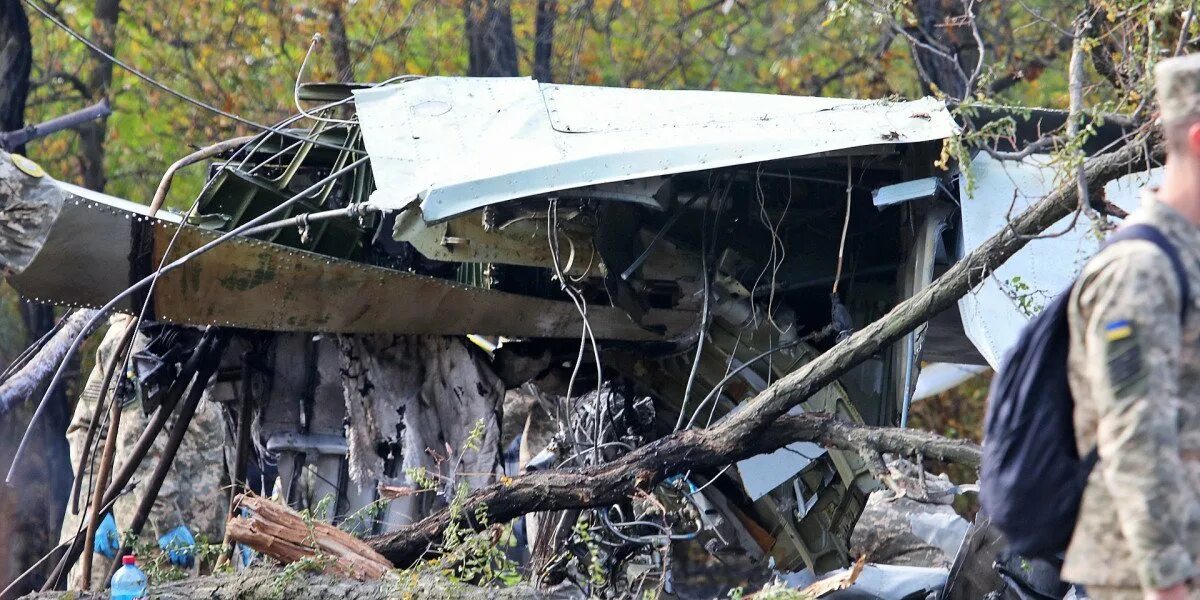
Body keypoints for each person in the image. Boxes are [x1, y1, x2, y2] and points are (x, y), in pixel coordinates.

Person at [1063, 52, 1200, 600]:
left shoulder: (1185, 260)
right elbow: (1133, 433)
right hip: (1145, 575)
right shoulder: (1139, 270)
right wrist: (1166, 580)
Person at [59, 315, 227, 589]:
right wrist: (95, 506)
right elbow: (134, 439)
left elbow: (218, 432)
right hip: (146, 535)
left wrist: (236, 510)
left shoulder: (207, 334)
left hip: (201, 532)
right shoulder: (142, 337)